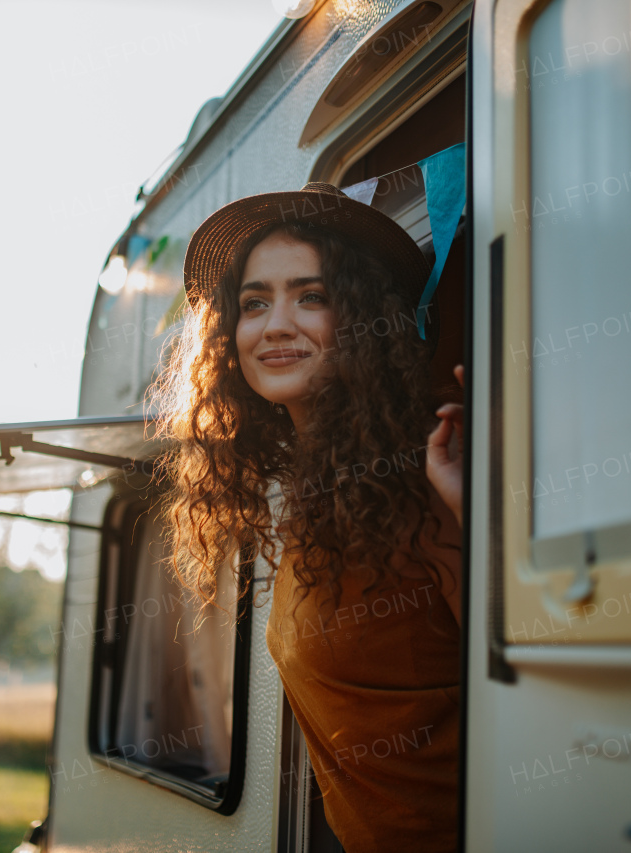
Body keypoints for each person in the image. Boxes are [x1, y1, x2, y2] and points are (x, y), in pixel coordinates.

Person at [149, 181, 465, 853]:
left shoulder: (427, 473)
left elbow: (524, 668)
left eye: (311, 296)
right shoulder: (317, 494)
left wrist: (470, 511)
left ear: (364, 317)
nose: (276, 324)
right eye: (254, 302)